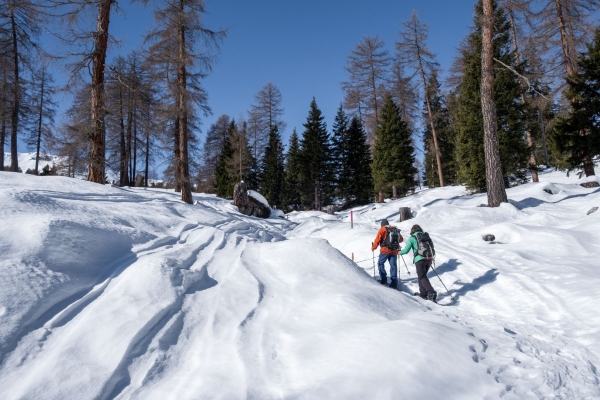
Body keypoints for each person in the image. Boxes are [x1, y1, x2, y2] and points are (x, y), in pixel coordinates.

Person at [400, 224, 437, 302]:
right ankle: (423, 294)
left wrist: (399, 252)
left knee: (422, 276)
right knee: (422, 276)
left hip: (420, 259)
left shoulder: (412, 238)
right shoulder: (425, 236)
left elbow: (406, 250)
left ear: (412, 231)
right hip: (429, 258)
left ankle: (431, 292)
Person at [371, 219, 403, 289]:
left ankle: (383, 279)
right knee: (393, 266)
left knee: (380, 263)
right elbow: (401, 240)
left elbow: (377, 239)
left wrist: (373, 247)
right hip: (394, 251)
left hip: (385, 250)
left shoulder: (382, 229)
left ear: (382, 224)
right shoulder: (394, 229)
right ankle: (394, 284)